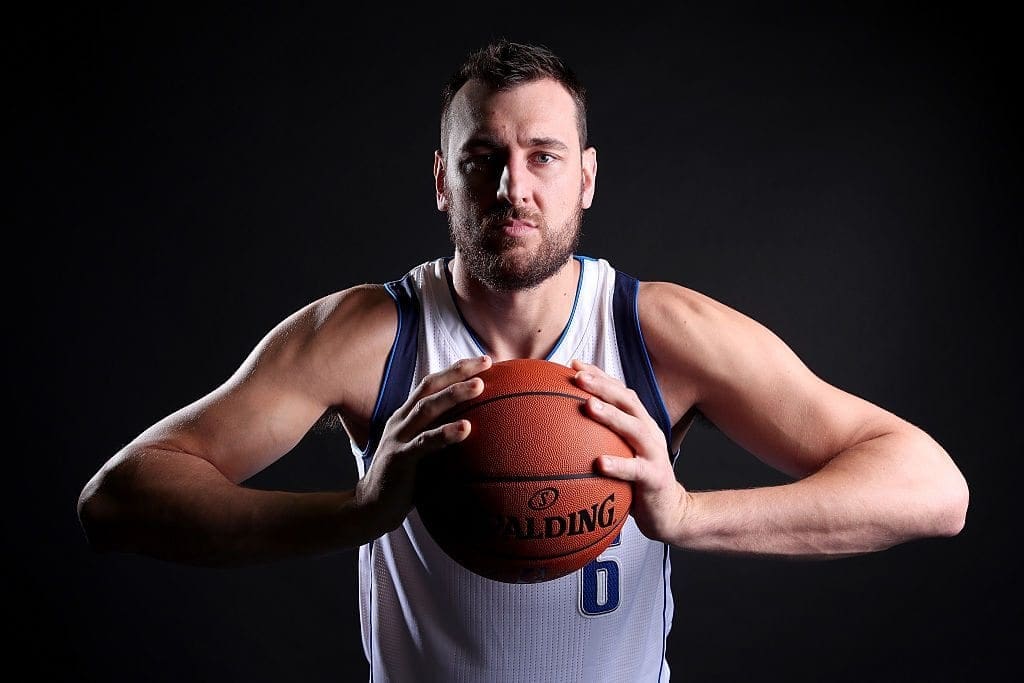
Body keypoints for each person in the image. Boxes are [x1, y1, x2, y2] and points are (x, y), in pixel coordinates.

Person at [77, 39, 969, 681]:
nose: (514, 186)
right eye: (482, 159)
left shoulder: (657, 332)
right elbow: (117, 498)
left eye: (543, 156)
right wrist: (358, 509)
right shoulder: (370, 336)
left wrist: (686, 513)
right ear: (441, 181)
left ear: (584, 177)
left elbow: (934, 488)